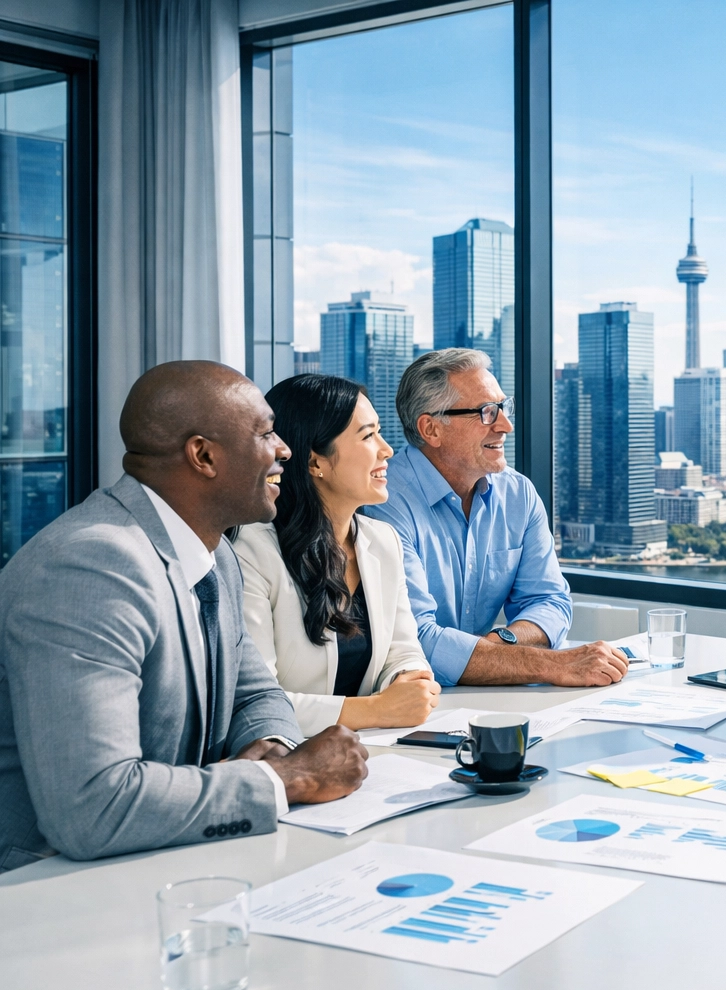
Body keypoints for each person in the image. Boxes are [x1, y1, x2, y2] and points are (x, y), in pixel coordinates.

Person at [0, 361, 368, 872]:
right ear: (203, 456)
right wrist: (288, 778)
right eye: (265, 432)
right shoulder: (89, 568)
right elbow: (92, 808)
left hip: (160, 860)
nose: (285, 448)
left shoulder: (212, 551)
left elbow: (256, 693)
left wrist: (276, 748)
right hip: (43, 890)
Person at [363, 349, 628, 687]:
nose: (506, 425)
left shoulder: (518, 494)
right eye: (487, 413)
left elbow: (550, 602)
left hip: (484, 697)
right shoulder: (384, 502)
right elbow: (417, 641)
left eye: (504, 408)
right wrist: (550, 665)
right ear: (431, 429)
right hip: (407, 703)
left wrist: (497, 650)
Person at [233, 375, 441, 737]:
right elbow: (255, 702)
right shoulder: (250, 552)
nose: (386, 449)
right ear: (316, 462)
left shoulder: (383, 541)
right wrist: (377, 709)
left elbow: (403, 650)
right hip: (289, 759)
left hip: (372, 753)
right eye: (368, 435)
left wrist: (409, 681)